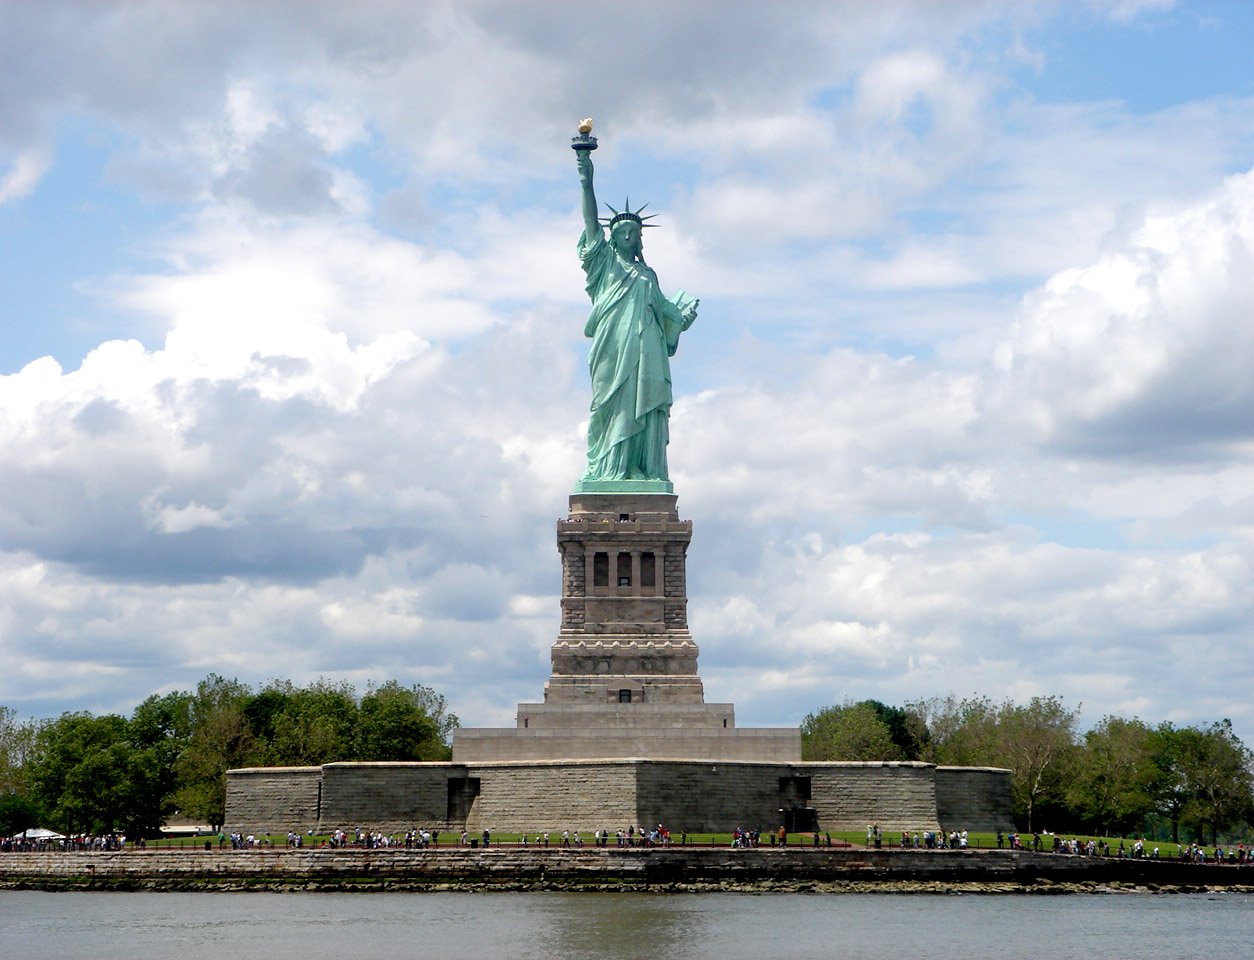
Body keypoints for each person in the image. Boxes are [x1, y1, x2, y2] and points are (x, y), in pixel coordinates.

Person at [574, 147, 698, 484]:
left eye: (635, 233)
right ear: (612, 239)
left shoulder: (648, 276)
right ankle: (611, 469)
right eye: (622, 233)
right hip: (613, 349)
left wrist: (682, 318)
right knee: (610, 406)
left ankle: (639, 468)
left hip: (647, 353)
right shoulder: (604, 266)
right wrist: (587, 180)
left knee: (642, 405)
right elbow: (590, 223)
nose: (629, 237)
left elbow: (667, 315)